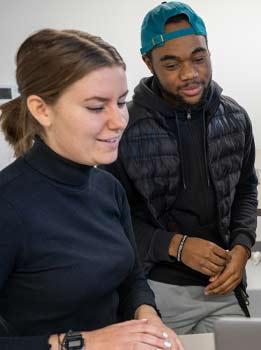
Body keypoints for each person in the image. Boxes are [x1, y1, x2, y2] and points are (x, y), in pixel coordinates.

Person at [0, 28, 182, 350]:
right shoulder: (8, 205)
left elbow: (131, 278)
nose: (119, 121)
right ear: (42, 110)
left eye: (122, 102)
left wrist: (147, 314)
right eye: (97, 108)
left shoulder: (108, 188)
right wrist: (83, 342)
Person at [103, 1, 258, 334]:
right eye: (171, 64)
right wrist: (176, 246)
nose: (190, 74)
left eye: (199, 59)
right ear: (148, 62)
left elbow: (246, 189)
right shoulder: (123, 128)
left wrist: (243, 247)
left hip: (225, 288)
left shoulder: (235, 118)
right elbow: (114, 217)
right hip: (157, 292)